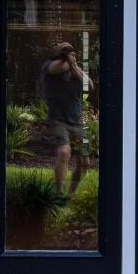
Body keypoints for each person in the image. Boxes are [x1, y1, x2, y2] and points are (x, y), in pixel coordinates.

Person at [41, 41, 92, 192]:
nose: (67, 51)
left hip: (78, 122)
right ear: (56, 52)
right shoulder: (49, 65)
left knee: (85, 162)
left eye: (69, 50)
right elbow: (55, 68)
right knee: (64, 152)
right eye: (63, 49)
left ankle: (71, 193)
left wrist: (74, 65)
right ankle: (59, 194)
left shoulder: (76, 69)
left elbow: (90, 85)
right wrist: (69, 61)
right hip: (57, 119)